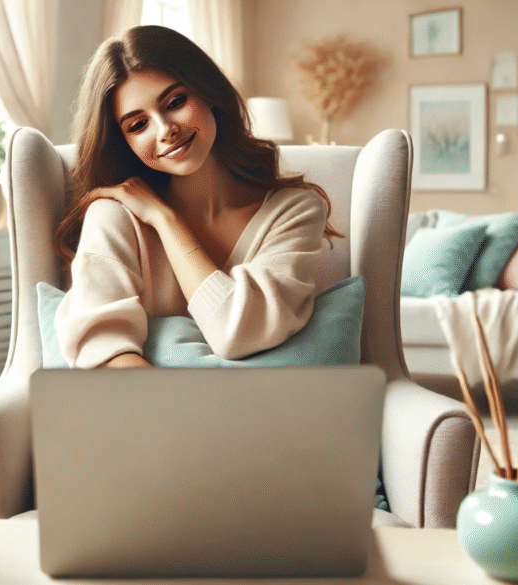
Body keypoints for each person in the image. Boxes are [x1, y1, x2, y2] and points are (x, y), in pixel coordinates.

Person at [53, 25, 342, 369]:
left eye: (175, 102)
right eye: (137, 125)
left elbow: (237, 334)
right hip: (149, 419)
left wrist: (166, 220)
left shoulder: (295, 211)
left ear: (208, 93)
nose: (165, 130)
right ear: (124, 142)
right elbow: (103, 354)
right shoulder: (114, 216)